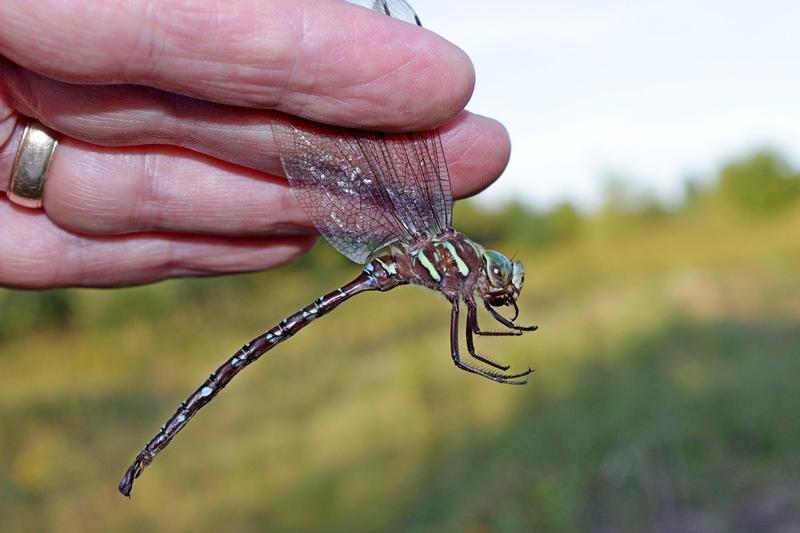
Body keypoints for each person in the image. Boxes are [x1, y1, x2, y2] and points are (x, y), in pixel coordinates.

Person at [0, 0, 510, 289]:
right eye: (499, 275)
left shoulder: (436, 238)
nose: (499, 283)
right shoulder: (435, 234)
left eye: (500, 279)